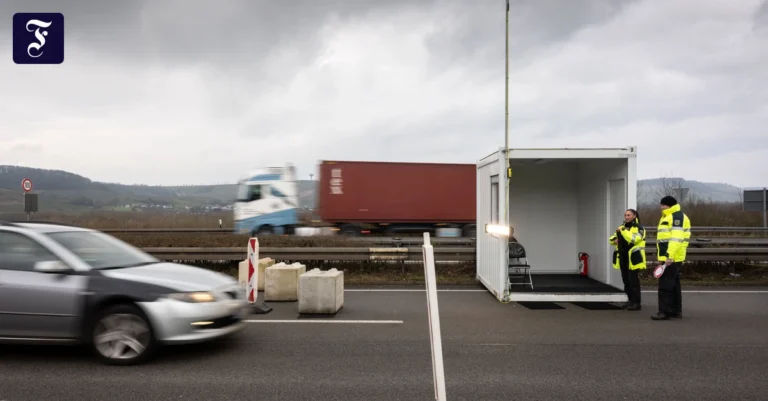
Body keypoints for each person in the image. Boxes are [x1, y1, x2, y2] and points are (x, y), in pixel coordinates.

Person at [652, 195, 691, 321]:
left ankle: (664, 311)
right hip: (672, 256)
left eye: (663, 205)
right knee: (674, 285)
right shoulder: (669, 216)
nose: (661, 207)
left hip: (671, 257)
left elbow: (676, 239)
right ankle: (676, 310)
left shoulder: (676, 217)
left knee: (665, 285)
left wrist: (669, 256)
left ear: (670, 205)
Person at [609, 208, 646, 311]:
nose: (626, 217)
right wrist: (615, 240)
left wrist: (624, 231)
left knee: (633, 281)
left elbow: (634, 239)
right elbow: (612, 239)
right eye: (625, 215)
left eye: (628, 215)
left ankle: (636, 302)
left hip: (633, 258)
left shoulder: (639, 228)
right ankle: (630, 300)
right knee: (626, 281)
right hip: (623, 257)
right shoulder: (622, 227)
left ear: (634, 216)